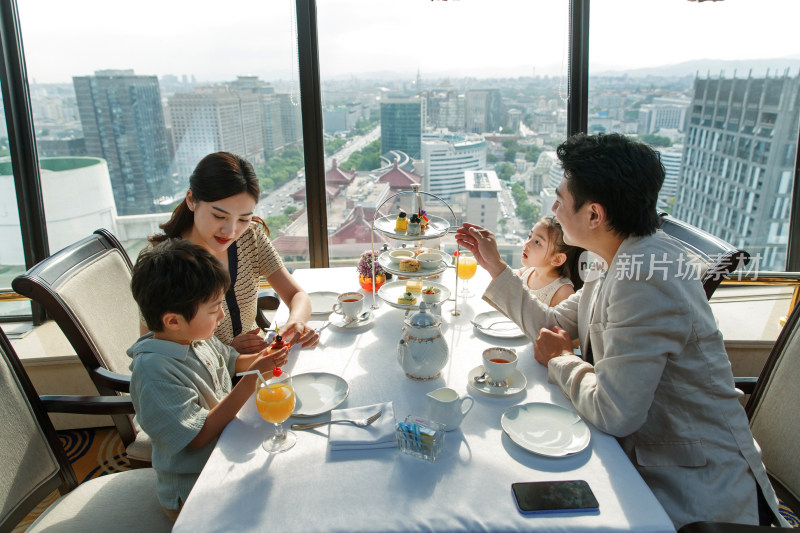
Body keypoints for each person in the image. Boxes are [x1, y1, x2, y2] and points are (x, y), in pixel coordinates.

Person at [455, 133, 787, 529]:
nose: (554, 209)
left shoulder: (645, 275)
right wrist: (496, 267)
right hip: (641, 455)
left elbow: (614, 413)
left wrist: (562, 360)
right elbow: (553, 327)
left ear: (594, 215)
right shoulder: (617, 256)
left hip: (692, 488)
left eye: (560, 199)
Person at [128, 239, 289, 521]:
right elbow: (199, 436)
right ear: (173, 320)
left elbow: (230, 361)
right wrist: (252, 378)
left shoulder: (193, 338)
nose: (222, 315)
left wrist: (266, 356)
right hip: (194, 486)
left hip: (223, 449)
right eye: (214, 309)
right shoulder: (154, 372)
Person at [147, 152, 318, 353]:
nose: (231, 231)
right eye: (219, 216)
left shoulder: (250, 238)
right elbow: (154, 347)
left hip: (258, 361)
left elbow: (297, 295)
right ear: (192, 200)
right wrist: (227, 352)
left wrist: (296, 322)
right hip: (209, 379)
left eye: (244, 219)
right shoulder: (163, 262)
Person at [516, 215, 583, 306]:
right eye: (529, 236)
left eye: (537, 242)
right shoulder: (526, 272)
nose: (527, 243)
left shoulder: (563, 292)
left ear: (557, 259)